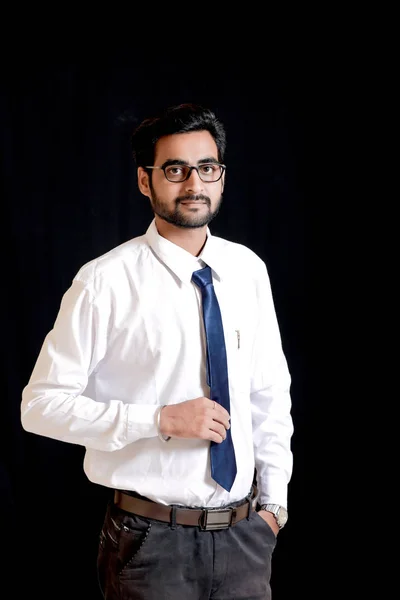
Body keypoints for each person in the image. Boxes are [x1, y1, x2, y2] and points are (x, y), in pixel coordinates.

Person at [21, 102, 294, 600]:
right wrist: (160, 420)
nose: (194, 184)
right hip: (150, 543)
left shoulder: (248, 270)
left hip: (246, 538)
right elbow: (39, 408)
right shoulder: (104, 281)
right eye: (175, 169)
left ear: (222, 176)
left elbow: (269, 394)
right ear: (146, 181)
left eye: (206, 168)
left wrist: (274, 506)